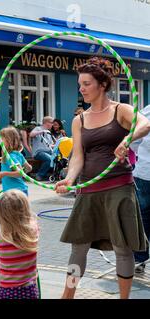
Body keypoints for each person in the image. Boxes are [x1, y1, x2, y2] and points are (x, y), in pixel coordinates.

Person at [55, 57, 150, 299]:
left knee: (122, 248)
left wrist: (127, 139)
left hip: (119, 189)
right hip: (89, 191)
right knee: (79, 248)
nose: (81, 88)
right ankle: (68, 295)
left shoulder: (121, 110)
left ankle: (124, 297)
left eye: (86, 83)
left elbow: (145, 124)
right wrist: (69, 178)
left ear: (102, 85)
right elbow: (77, 157)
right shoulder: (80, 120)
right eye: (80, 84)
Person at [0, 190, 39, 299]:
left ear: (1, 215)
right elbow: (33, 222)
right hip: (30, 289)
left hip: (7, 291)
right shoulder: (33, 231)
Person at [130, 104, 150, 274]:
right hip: (144, 174)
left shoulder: (145, 113)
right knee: (142, 218)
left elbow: (132, 142)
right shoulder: (144, 114)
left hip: (144, 171)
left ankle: (140, 258)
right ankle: (139, 258)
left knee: (143, 218)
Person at [0, 127, 32, 195]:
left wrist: (3, 174)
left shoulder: (10, 157)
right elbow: (29, 168)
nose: (0, 141)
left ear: (9, 140)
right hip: (20, 190)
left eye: (2, 139)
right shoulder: (18, 154)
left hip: (14, 193)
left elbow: (20, 173)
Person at [29, 116, 55, 181]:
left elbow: (50, 145)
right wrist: (41, 132)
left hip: (48, 151)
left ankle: (54, 175)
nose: (53, 124)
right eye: (52, 123)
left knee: (58, 158)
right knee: (49, 159)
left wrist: (56, 145)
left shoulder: (48, 132)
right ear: (46, 122)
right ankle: (39, 175)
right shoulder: (38, 128)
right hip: (39, 152)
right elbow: (31, 134)